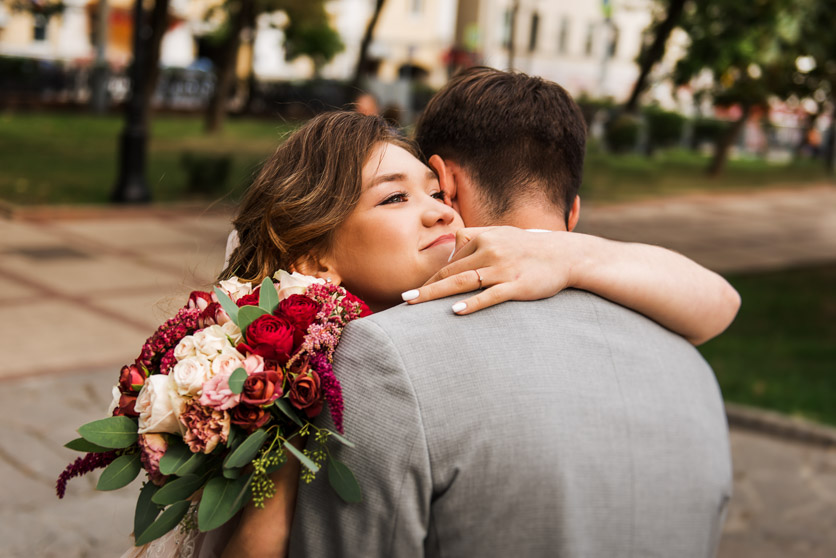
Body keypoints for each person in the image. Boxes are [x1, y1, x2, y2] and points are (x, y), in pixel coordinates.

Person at [218, 74, 734, 557]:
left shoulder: (383, 360)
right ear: (572, 212)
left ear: (450, 184)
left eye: (437, 193)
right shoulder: (689, 363)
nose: (440, 211)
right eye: (397, 196)